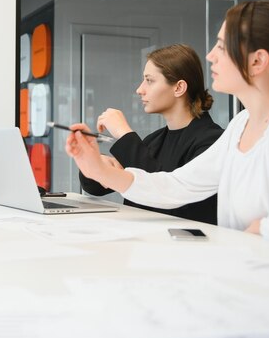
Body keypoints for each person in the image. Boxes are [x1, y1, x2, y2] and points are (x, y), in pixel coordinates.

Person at [66, 0, 269, 249]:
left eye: (222, 46)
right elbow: (178, 185)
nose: (210, 55)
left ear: (257, 61)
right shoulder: (241, 124)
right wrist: (98, 170)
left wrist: (258, 230)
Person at [79, 44, 223, 224]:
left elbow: (167, 198)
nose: (140, 89)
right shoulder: (153, 140)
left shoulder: (213, 141)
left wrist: (124, 134)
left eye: (149, 80)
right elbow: (94, 188)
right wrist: (96, 163)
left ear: (178, 88)